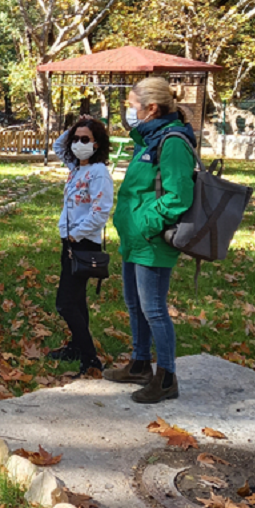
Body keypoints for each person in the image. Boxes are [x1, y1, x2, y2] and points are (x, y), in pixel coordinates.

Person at [106, 77, 196, 403]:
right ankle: (140, 363)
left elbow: (179, 196)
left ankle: (167, 378)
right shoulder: (148, 139)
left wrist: (146, 223)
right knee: (135, 305)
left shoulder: (171, 142)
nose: (129, 111)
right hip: (135, 238)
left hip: (153, 239)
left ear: (151, 108)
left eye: (133, 105)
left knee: (154, 309)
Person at [49, 115, 114, 375]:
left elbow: (100, 212)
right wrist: (78, 123)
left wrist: (76, 235)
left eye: (85, 139)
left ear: (96, 144)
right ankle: (77, 347)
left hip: (83, 243)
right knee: (76, 300)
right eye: (75, 139)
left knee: (65, 303)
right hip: (71, 241)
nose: (78, 143)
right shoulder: (77, 168)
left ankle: (90, 358)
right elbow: (57, 146)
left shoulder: (98, 173)